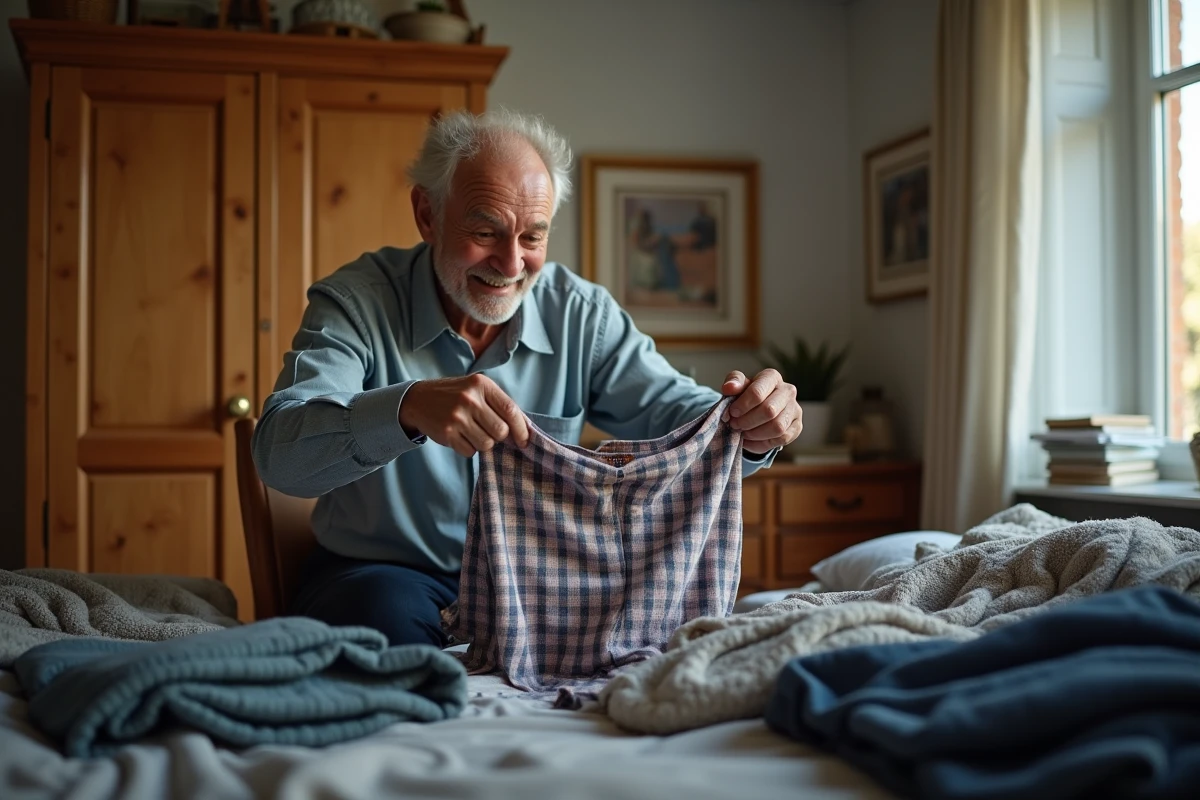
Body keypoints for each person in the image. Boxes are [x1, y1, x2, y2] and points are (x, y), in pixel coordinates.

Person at [252, 109, 804, 648]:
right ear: (427, 214)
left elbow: (679, 411)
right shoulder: (355, 303)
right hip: (383, 578)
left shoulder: (583, 315)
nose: (512, 264)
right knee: (387, 619)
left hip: (541, 586)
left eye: (533, 238)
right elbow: (280, 456)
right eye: (486, 230)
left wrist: (751, 420)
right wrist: (406, 408)